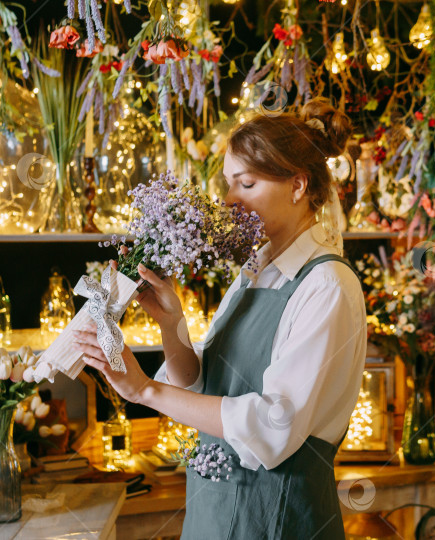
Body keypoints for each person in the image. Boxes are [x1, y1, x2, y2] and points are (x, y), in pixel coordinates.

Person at [74, 98, 367, 539]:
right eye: (228, 184)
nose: (229, 200)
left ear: (298, 185)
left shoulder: (326, 287)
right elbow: (203, 386)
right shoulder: (254, 271)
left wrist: (145, 390)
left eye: (246, 184)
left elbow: (272, 428)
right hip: (212, 517)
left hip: (278, 522)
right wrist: (172, 326)